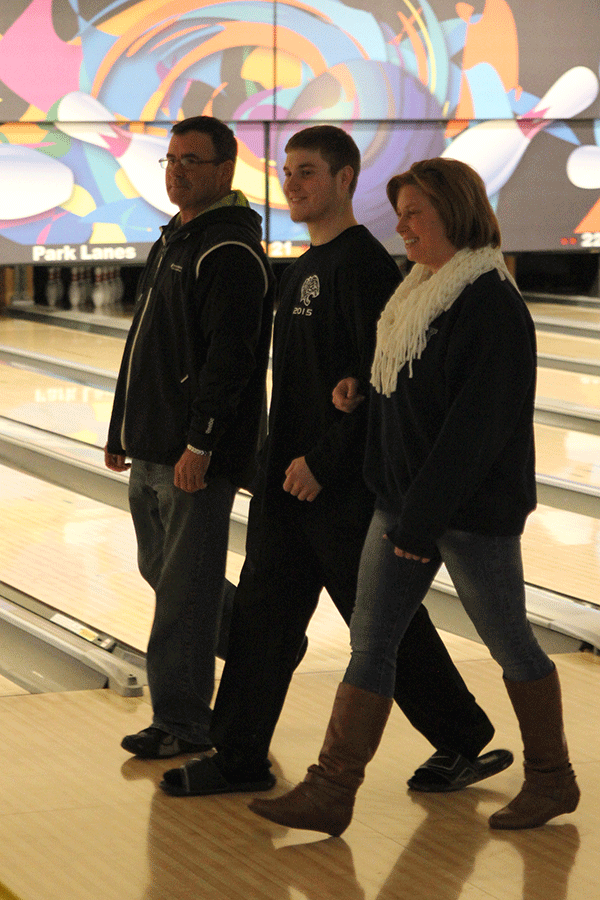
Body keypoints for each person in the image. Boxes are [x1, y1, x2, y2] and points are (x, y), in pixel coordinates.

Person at [160, 127, 511, 797]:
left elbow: (386, 384)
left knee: (382, 628)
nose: (293, 183)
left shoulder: (364, 269)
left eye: (309, 172)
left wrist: (323, 461)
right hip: (286, 488)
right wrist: (275, 467)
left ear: (346, 179)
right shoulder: (303, 268)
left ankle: (463, 738)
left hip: (341, 492)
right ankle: (238, 758)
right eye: (288, 172)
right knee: (263, 625)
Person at [249, 157, 580, 834]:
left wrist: (417, 525)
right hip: (403, 501)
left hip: (467, 514)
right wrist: (361, 397)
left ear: (454, 212)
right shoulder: (418, 290)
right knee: (370, 645)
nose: (400, 227)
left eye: (414, 213)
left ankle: (552, 778)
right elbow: (410, 393)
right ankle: (332, 789)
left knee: (509, 640)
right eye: (397, 214)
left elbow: (471, 433)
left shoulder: (489, 303)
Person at [105, 116, 275, 758]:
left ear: (225, 170)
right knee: (165, 571)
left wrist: (200, 445)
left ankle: (181, 723)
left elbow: (230, 365)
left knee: (182, 588)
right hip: (152, 443)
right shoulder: (175, 238)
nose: (176, 171)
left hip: (193, 454)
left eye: (191, 161)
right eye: (170, 159)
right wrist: (121, 424)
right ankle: (265, 642)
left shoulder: (226, 250)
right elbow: (142, 346)